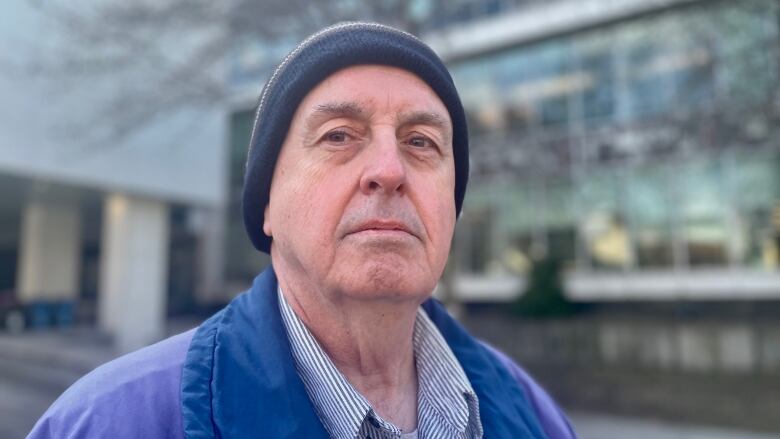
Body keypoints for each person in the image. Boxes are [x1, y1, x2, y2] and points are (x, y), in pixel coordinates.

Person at [29, 22, 577, 439]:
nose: (389, 170)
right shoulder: (108, 421)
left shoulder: (533, 415)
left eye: (421, 142)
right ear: (267, 203)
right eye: (339, 136)